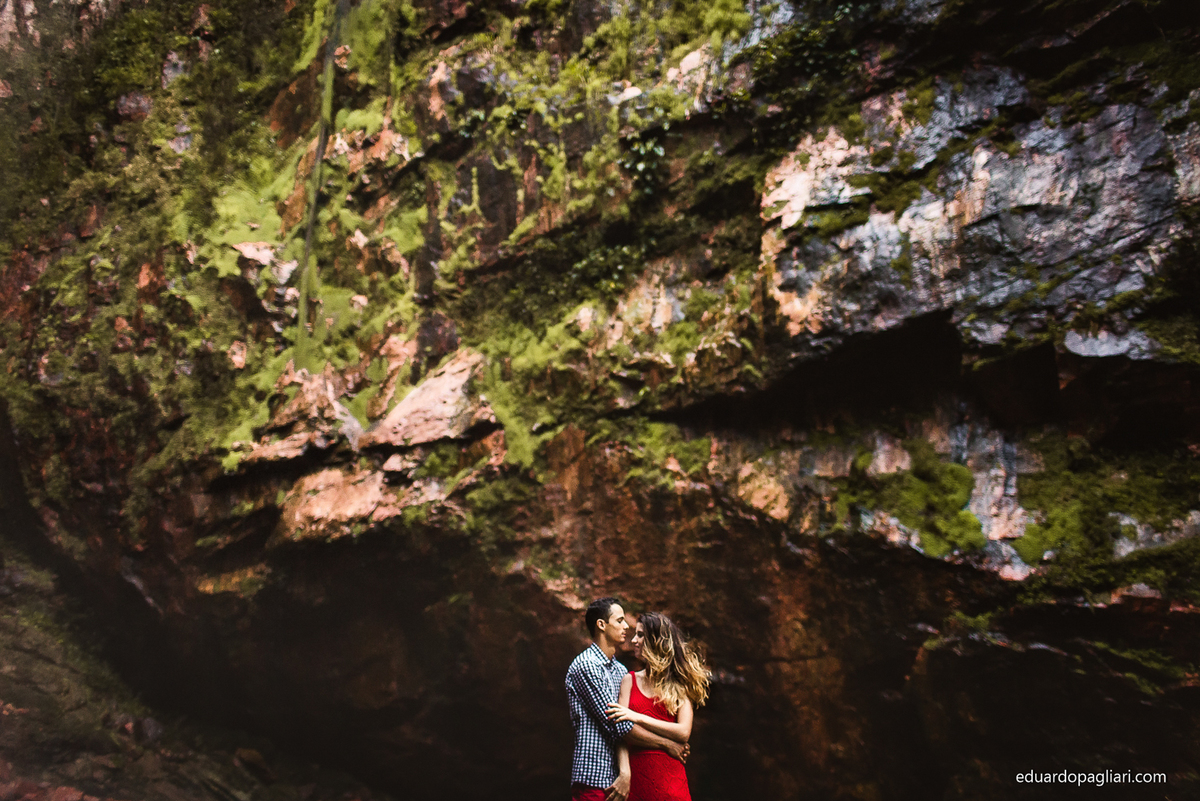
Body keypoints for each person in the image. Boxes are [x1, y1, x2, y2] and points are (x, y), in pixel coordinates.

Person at [566, 598, 690, 801]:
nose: (626, 627)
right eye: (620, 620)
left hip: (620, 779)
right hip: (594, 776)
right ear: (601, 625)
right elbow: (619, 726)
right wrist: (667, 744)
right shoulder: (587, 665)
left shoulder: (620, 670)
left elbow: (629, 721)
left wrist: (626, 771)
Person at [604, 612, 711, 801]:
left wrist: (635, 716)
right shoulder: (629, 680)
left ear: (657, 640)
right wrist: (624, 772)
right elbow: (621, 732)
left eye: (641, 635)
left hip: (671, 784)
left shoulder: (679, 684)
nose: (634, 641)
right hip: (636, 780)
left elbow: (683, 732)